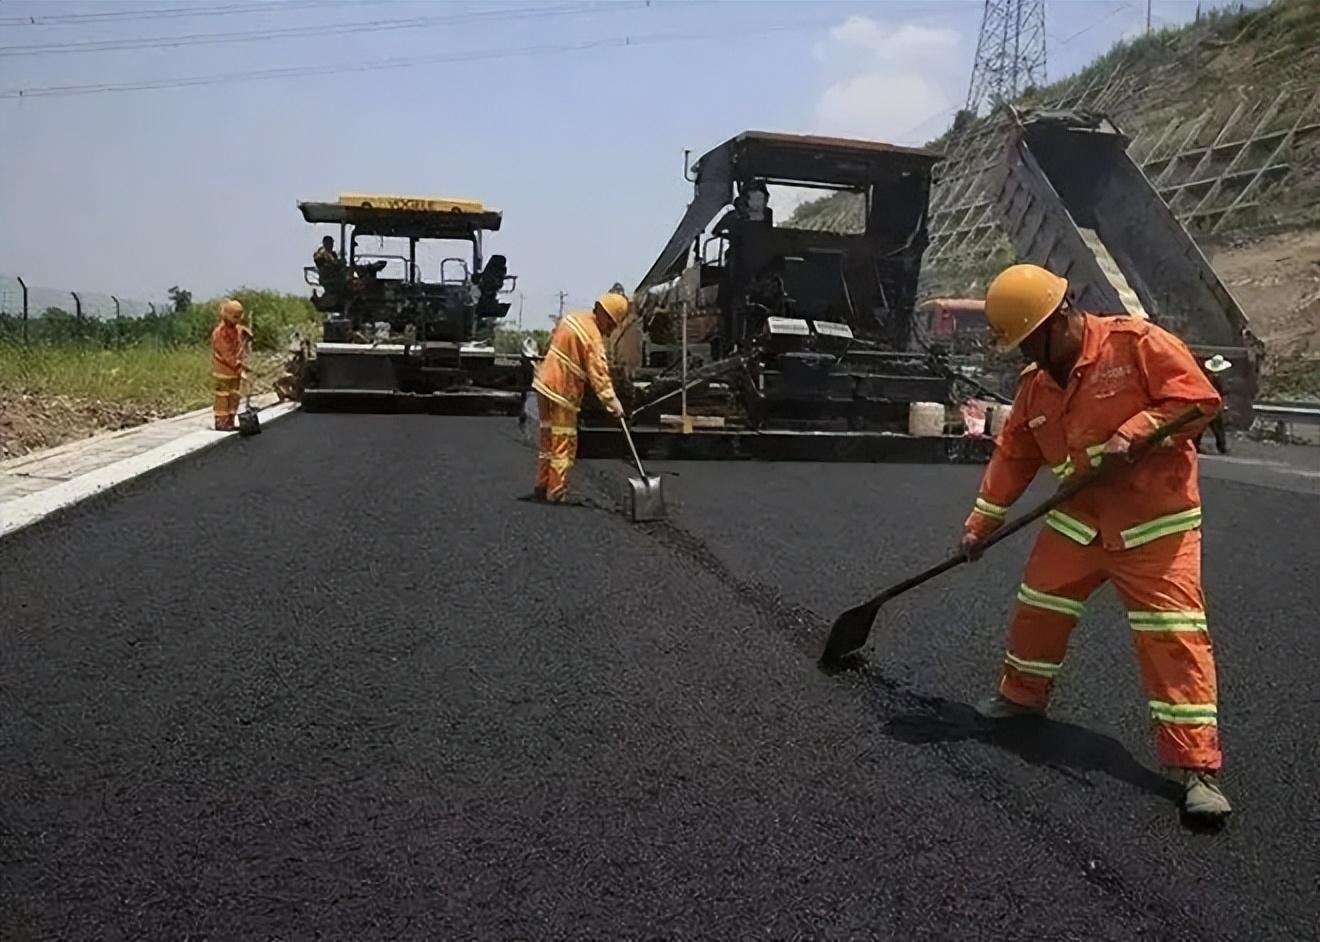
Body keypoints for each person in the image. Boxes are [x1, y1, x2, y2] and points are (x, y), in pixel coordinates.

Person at [961, 263, 1231, 823]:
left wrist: (1131, 435)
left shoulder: (1137, 345)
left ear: (1061, 318)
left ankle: (1197, 768)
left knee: (1172, 637)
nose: (1029, 356)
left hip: (1153, 524)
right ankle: (1021, 697)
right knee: (1039, 607)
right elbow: (1013, 458)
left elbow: (1198, 400)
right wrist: (979, 528)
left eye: (1032, 341)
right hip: (1078, 520)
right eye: (1022, 348)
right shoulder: (1036, 388)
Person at [530, 292, 629, 503]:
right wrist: (613, 402)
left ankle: (542, 485)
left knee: (548, 440)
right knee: (564, 441)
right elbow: (599, 374)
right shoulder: (592, 336)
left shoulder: (572, 319)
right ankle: (556, 491)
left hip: (544, 383)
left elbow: (553, 342)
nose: (610, 331)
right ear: (606, 315)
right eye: (611, 325)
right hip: (562, 392)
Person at [210, 298, 250, 431]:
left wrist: (247, 334)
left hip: (235, 372)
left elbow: (240, 338)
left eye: (239, 317)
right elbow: (227, 354)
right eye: (235, 317)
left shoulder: (236, 329)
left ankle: (231, 421)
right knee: (223, 397)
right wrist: (239, 366)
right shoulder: (220, 333)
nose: (237, 320)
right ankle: (221, 422)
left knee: (234, 396)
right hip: (223, 371)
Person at [1197, 355, 1232, 454]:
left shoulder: (1205, 376)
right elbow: (1223, 391)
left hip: (1204, 403)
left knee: (1201, 426)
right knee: (1218, 427)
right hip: (1214, 404)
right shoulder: (1218, 379)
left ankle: (1196, 445)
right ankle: (1222, 447)